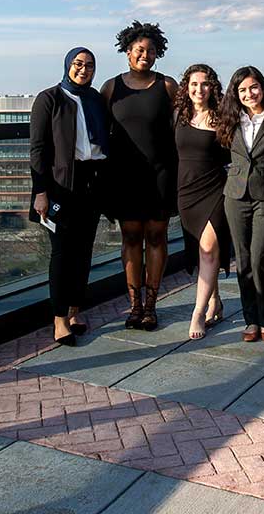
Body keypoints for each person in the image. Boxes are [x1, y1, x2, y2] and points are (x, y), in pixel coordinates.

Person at [100, 21, 179, 331]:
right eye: (140, 50)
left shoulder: (168, 85)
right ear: (128, 52)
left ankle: (151, 306)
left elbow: (186, 122)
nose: (145, 55)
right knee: (131, 237)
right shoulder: (110, 87)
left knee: (156, 237)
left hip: (160, 174)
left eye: (151, 51)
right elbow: (98, 131)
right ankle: (133, 305)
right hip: (124, 176)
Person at [29, 47, 110, 346]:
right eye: (78, 64)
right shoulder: (48, 98)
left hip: (92, 181)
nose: (83, 69)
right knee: (62, 253)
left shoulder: (95, 99)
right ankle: (59, 319)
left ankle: (75, 310)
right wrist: (41, 192)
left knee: (84, 251)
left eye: (89, 65)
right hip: (60, 184)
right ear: (67, 65)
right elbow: (37, 148)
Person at [218, 66, 264, 343]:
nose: (249, 94)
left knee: (260, 259)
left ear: (262, 87)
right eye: (242, 90)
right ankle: (251, 321)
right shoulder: (229, 120)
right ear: (236, 93)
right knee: (243, 261)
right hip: (234, 196)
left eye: (253, 87)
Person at [175, 64, 232, 340]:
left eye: (205, 84)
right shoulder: (178, 117)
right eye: (194, 84)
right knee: (202, 250)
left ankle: (197, 312)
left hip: (215, 190)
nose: (199, 89)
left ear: (213, 88)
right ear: (187, 87)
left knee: (209, 249)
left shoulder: (222, 118)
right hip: (186, 192)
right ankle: (215, 300)